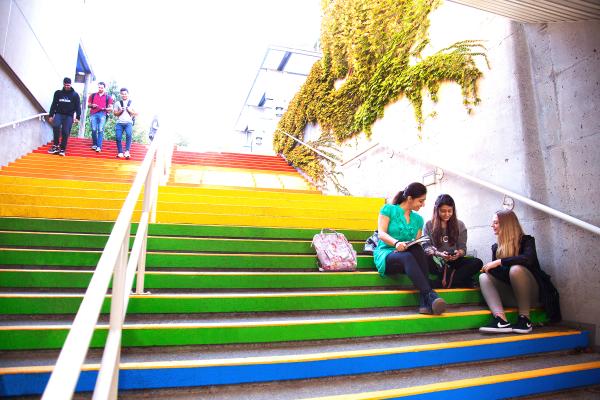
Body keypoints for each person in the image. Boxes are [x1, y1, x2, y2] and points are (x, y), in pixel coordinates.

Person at [373, 182, 447, 315]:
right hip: (387, 253)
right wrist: (396, 243)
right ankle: (429, 296)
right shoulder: (388, 209)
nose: (423, 204)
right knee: (407, 256)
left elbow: (416, 242)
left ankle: (425, 302)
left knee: (418, 250)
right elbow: (381, 234)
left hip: (407, 257)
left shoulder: (418, 219)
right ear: (409, 198)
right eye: (421, 201)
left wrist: (408, 245)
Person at [479, 210, 544, 334]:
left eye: (496, 223)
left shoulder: (526, 241)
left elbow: (528, 259)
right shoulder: (496, 247)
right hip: (511, 295)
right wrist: (489, 269)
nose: (492, 226)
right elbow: (500, 276)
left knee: (516, 269)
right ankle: (501, 320)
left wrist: (499, 262)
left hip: (532, 296)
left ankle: (525, 319)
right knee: (484, 277)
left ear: (506, 225)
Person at [423, 194, 483, 288]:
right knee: (424, 257)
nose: (447, 214)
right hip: (437, 261)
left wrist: (458, 254)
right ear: (436, 210)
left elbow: (463, 249)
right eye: (443, 211)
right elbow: (426, 247)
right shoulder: (429, 225)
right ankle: (462, 282)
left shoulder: (460, 225)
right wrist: (439, 254)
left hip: (454, 261)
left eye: (450, 211)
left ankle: (442, 283)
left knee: (477, 262)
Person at [47, 77, 81, 156]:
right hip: (59, 114)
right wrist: (51, 115)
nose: (67, 87)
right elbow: (54, 104)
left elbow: (78, 107)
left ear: (71, 85)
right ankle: (55, 145)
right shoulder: (58, 93)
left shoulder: (75, 95)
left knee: (65, 132)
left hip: (69, 116)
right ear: (63, 84)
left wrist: (78, 117)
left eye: (68, 85)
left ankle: (62, 148)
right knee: (56, 126)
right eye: (65, 85)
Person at [87, 81, 113, 153]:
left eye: (102, 87)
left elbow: (111, 107)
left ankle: (99, 146)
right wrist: (92, 105)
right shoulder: (93, 95)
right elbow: (88, 105)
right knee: (94, 129)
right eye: (99, 87)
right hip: (93, 113)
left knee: (100, 129)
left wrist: (108, 109)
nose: (100, 89)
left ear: (104, 88)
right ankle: (94, 144)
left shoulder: (108, 97)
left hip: (102, 113)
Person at [113, 88, 137, 159]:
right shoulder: (117, 103)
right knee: (118, 137)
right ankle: (120, 152)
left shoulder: (132, 102)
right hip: (119, 123)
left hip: (128, 123)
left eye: (125, 94)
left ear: (128, 94)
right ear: (120, 94)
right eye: (122, 94)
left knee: (129, 135)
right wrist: (120, 111)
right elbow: (115, 113)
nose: (124, 95)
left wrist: (130, 110)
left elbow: (136, 113)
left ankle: (127, 151)